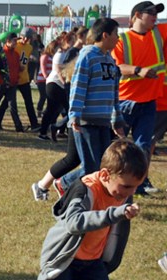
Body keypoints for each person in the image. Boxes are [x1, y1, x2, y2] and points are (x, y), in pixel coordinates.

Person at [0, 139, 146, 280]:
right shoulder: (84, 189)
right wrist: (116, 213)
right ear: (105, 175)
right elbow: (75, 222)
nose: (131, 192)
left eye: (136, 186)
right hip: (63, 259)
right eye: (127, 186)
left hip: (91, 262)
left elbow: (117, 233)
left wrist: (111, 259)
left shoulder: (120, 192)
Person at [32, 19, 125, 201]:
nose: (118, 38)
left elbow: (114, 92)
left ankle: (60, 184)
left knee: (98, 164)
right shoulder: (87, 56)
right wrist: (74, 115)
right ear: (105, 35)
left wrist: (117, 118)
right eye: (116, 34)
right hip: (86, 122)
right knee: (92, 168)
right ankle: (70, 188)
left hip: (103, 121)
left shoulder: (110, 60)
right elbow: (78, 87)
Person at [112, 1, 164, 195]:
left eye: (156, 13)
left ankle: (138, 184)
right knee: (117, 147)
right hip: (126, 102)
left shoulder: (158, 35)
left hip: (149, 102)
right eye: (149, 12)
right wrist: (138, 70)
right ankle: (108, 180)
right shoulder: (122, 40)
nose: (154, 16)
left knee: (143, 146)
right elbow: (117, 67)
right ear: (136, 16)